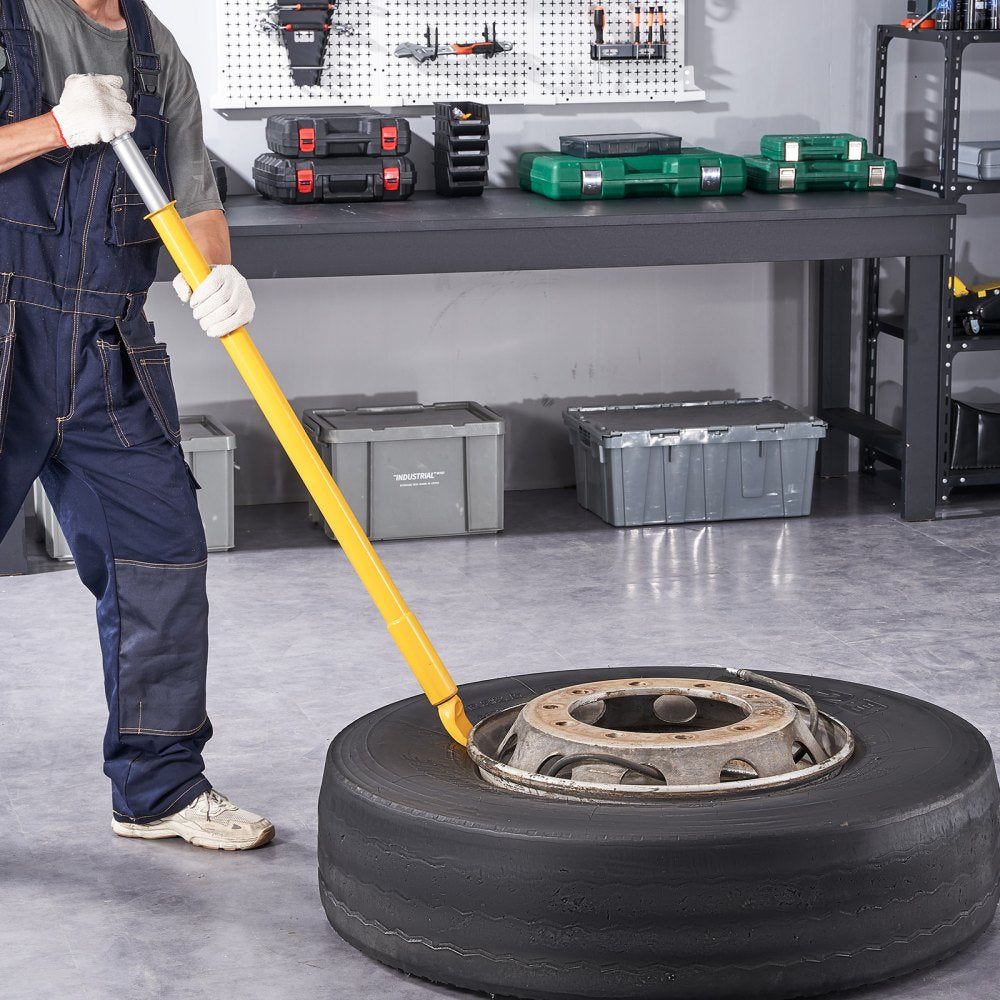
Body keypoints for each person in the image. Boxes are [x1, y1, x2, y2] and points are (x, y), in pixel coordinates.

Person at [0, 0, 274, 850]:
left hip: (106, 348)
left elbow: (194, 199)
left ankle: (158, 790)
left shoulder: (157, 55)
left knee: (160, 559)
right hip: (3, 336)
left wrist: (216, 272)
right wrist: (52, 128)